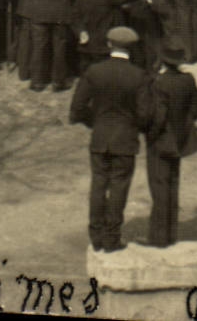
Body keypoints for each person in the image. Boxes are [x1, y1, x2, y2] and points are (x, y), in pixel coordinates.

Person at [69, 25, 153, 253]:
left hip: (100, 137)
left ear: (109, 44)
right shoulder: (139, 75)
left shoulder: (94, 71)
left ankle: (95, 236)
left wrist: (94, 121)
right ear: (132, 48)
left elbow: (76, 109)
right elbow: (145, 115)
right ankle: (112, 238)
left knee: (98, 184)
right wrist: (134, 126)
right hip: (125, 140)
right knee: (119, 187)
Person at [144, 40, 197, 248]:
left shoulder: (159, 83)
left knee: (159, 186)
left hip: (160, 140)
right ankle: (171, 232)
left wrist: (151, 133)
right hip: (180, 139)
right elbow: (196, 108)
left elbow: (158, 116)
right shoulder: (188, 79)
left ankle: (159, 237)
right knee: (173, 185)